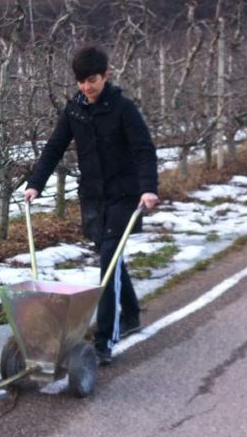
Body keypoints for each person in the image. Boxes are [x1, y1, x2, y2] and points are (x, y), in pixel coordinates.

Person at [24, 45, 159, 365]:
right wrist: (35, 184)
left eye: (93, 80)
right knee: (111, 262)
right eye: (82, 81)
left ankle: (103, 342)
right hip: (94, 198)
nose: (87, 87)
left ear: (106, 76)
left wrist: (149, 189)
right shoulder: (74, 110)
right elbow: (54, 147)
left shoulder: (123, 108)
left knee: (108, 266)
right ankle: (132, 314)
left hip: (125, 197)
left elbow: (144, 150)